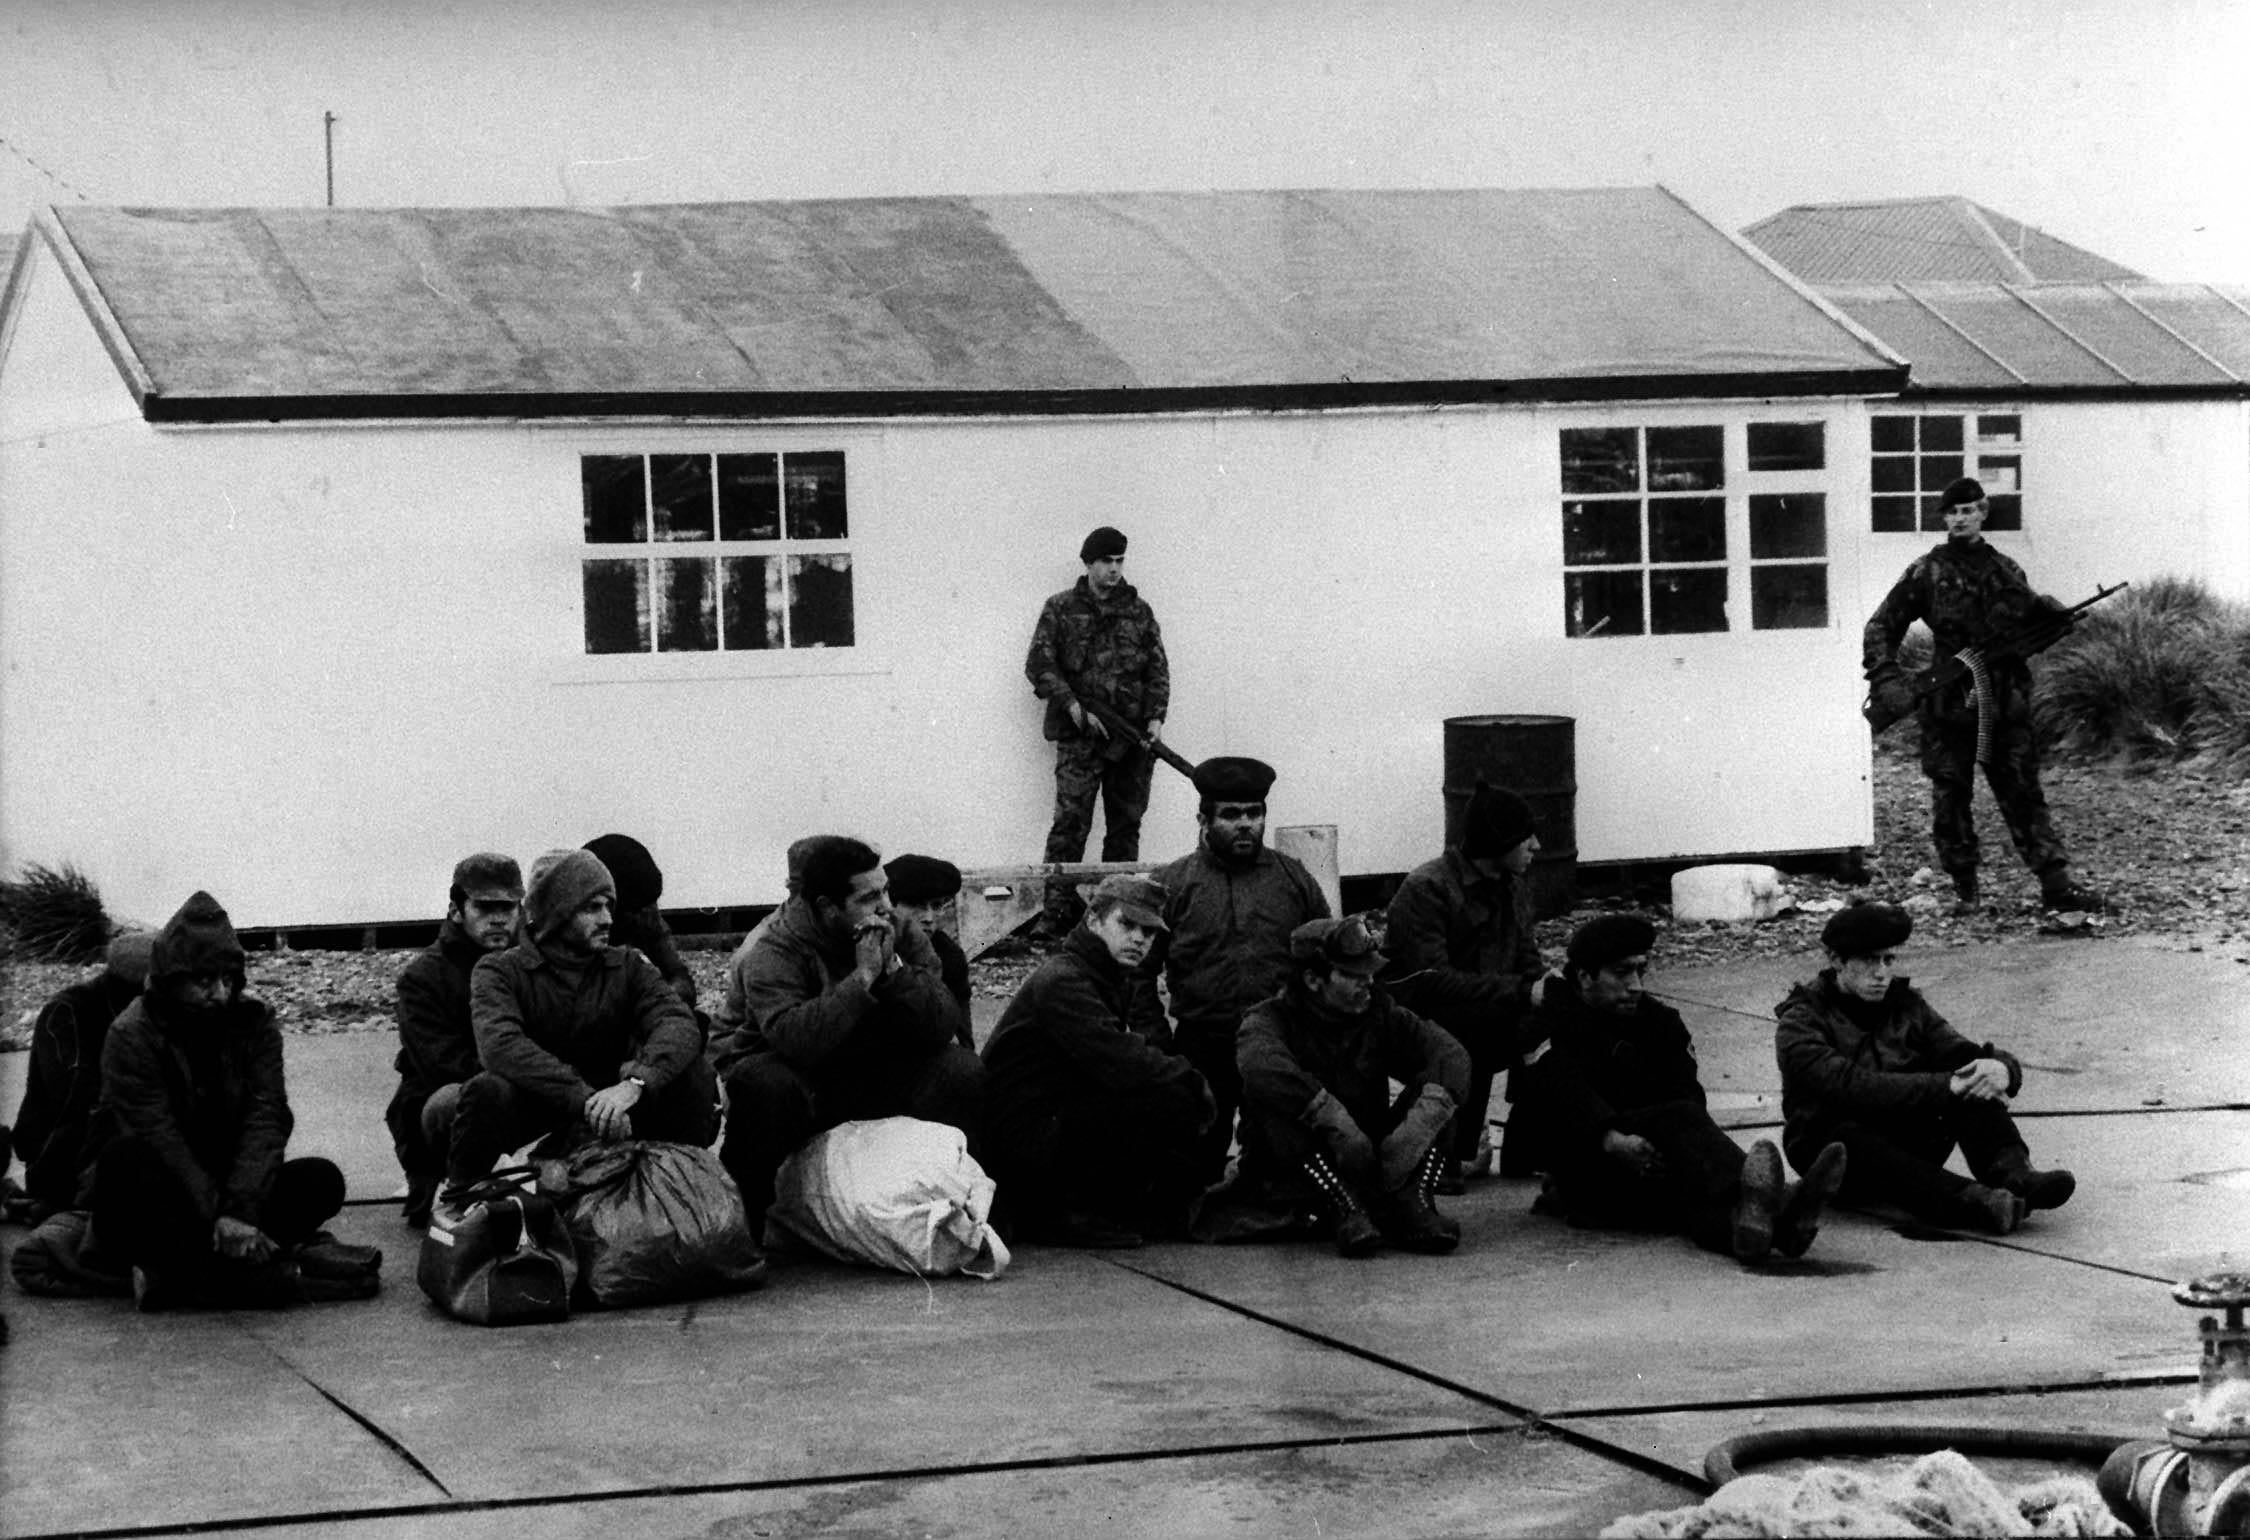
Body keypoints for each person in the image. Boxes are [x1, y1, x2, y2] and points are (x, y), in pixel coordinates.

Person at [73, 892, 363, 1309]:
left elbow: (267, 1117)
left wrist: (242, 1210)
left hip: (229, 1186)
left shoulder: (255, 1022)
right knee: (126, 1160)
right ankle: (249, 1277)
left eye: (228, 981)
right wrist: (220, 1218)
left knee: (321, 1180)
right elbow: (156, 1133)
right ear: (173, 980)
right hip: (162, 1187)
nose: (219, 993)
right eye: (204, 981)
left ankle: (177, 1279)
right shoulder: (132, 1033)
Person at [1521, 915, 1845, 1265]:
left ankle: (1767, 1231)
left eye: (1640, 971)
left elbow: (1688, 1092)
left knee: (1690, 1199)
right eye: (1621, 973)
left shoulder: (1659, 1022)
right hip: (1587, 1165)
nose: (1636, 985)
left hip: (1654, 1157)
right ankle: (1781, 1203)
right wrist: (1611, 1139)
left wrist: (1668, 1150)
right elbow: (1558, 1100)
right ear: (1584, 976)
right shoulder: (1548, 1027)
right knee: (1681, 1133)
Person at [1863, 476, 2103, 914]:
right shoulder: (1926, 572)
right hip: (1948, 704)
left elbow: (2030, 619)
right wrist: (1886, 679)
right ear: (1944, 519)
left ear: (1983, 512)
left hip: (2004, 702)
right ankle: (1966, 890)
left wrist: (2051, 615)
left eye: (1968, 511)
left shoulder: (2007, 570)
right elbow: (1881, 626)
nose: (1959, 520)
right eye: (1952, 513)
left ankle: (2057, 885)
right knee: (1950, 798)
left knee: (2022, 793)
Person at [713, 837, 983, 1225]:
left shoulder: (900, 930)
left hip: (877, 1069)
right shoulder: (775, 950)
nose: (886, 906)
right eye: (869, 897)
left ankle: (971, 1209)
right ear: (827, 906)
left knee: (960, 1070)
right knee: (763, 1083)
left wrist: (894, 974)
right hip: (812, 1082)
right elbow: (797, 1040)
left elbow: (942, 1024)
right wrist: (864, 978)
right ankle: (743, 1224)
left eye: (886, 890)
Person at [1776, 900, 2075, 1235]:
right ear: (1836, 961)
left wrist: (2002, 1070)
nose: (1881, 972)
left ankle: (2016, 1175)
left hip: (1904, 1138)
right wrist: (1946, 1086)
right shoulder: (1801, 1020)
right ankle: (1971, 1201)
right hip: (1833, 1156)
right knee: (1844, 1135)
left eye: (1888, 959)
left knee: (1973, 1078)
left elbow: (1960, 1051)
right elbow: (1851, 1086)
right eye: (1868, 960)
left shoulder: (1906, 1006)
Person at [442, 849, 718, 1204]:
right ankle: (465, 1202)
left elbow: (677, 1022)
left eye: (608, 907)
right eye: (592, 908)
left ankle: (685, 1195)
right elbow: (500, 1045)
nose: (606, 919)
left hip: (616, 1102)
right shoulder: (499, 971)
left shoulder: (627, 965)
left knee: (693, 1074)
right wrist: (585, 1100)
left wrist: (637, 1082)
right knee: (486, 1090)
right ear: (558, 913)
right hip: (544, 1101)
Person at [981, 874, 1213, 1247]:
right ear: (1093, 920)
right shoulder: (1064, 979)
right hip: (1020, 1139)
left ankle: (1108, 1207)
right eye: (1127, 924)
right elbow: (1119, 1060)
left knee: (1161, 1093)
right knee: (1161, 1097)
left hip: (1042, 1122)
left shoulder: (1100, 973)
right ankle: (1066, 1215)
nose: (1139, 939)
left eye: (1149, 933)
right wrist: (1189, 1080)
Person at [1224, 916, 1470, 1257]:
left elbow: (1448, 1053)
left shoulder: (1380, 1013)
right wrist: (1330, 1118)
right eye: (1354, 976)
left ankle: (1414, 1202)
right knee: (1275, 1103)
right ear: (1313, 980)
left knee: (1440, 1093)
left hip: (1370, 1160)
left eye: (1369, 973)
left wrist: (1417, 1128)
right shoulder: (1268, 1020)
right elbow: (1261, 1067)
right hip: (1298, 1173)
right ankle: (1342, 1205)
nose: (1368, 982)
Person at [1154, 756, 1331, 1188]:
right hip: (1202, 1045)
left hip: (1277, 1044)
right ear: (1203, 818)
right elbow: (1136, 975)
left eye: (1254, 813)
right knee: (1186, 1179)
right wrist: (1159, 1047)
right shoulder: (1173, 884)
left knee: (1283, 1174)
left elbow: (1327, 959)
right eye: (1231, 815)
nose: (1245, 824)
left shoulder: (1293, 879)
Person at [1385, 780, 1549, 1187]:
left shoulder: (1512, 887)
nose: (1537, 846)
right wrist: (1520, 992)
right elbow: (1431, 982)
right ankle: (1448, 1153)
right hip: (1411, 1024)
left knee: (1552, 1020)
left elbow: (1527, 962)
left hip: (1483, 1010)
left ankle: (1527, 1148)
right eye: (1526, 837)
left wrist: (1548, 987)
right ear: (1499, 842)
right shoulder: (1427, 887)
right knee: (1482, 1025)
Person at [1025, 524, 1170, 935]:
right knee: (1071, 824)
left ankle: (1119, 911)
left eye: (1120, 560)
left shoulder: (1139, 612)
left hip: (1130, 740)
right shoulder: (1060, 608)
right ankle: (1055, 914)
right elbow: (1039, 664)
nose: (1114, 569)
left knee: (1125, 827)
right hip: (1081, 739)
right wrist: (1071, 704)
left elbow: (1158, 670)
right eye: (1106, 561)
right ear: (1089, 563)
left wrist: (1156, 718)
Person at [384, 853, 521, 1230]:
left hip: (522, 1093)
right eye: (484, 907)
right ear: (456, 909)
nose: (498, 918)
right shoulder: (424, 977)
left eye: (507, 907)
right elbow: (441, 1063)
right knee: (465, 1096)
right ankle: (454, 1184)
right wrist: (527, 1070)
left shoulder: (530, 961)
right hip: (449, 1108)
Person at [8, 930, 154, 1218]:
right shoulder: (68, 1010)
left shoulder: (141, 1011)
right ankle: (59, 1204)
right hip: (56, 1150)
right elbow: (75, 1094)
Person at [583, 833, 698, 1006]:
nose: (645, 915)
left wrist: (663, 1002)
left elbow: (679, 978)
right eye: (636, 910)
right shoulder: (578, 929)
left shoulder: (645, 912)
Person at [885, 853, 974, 1035]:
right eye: (916, 905)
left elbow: (962, 1035)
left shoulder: (948, 954)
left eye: (936, 905)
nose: (928, 918)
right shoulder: (870, 948)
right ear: (890, 906)